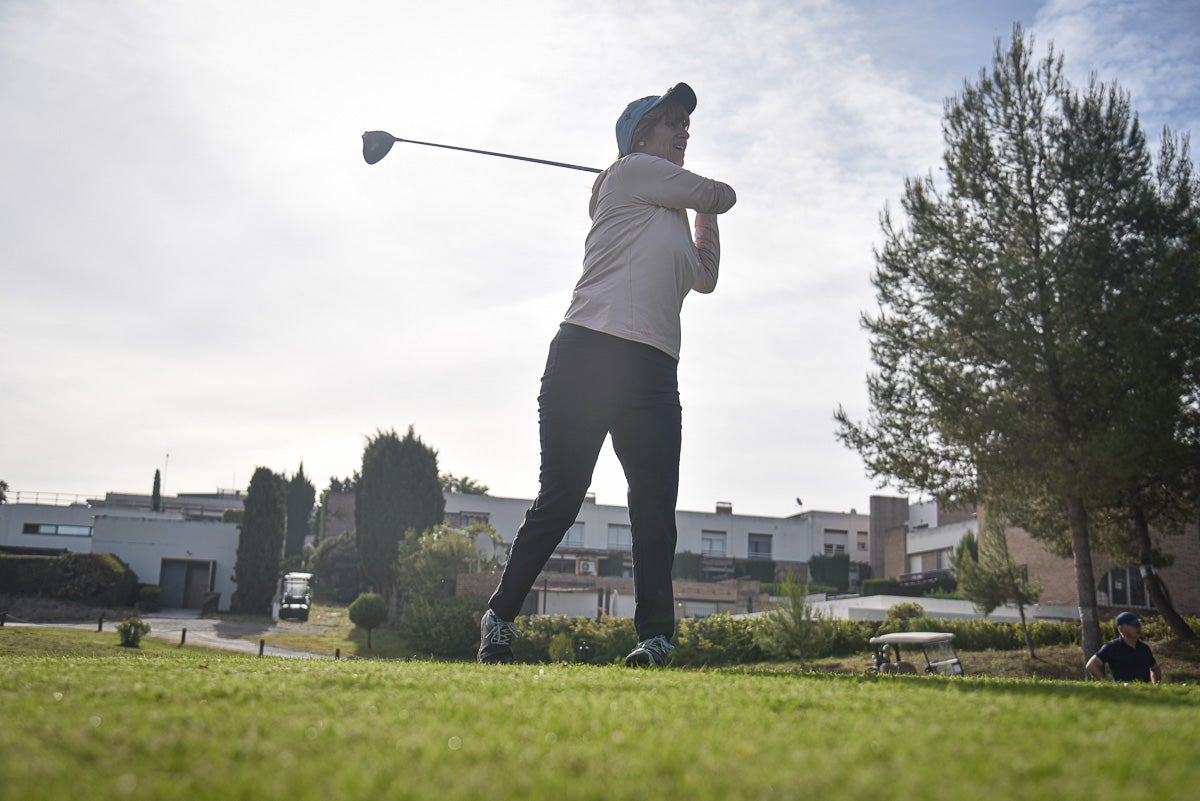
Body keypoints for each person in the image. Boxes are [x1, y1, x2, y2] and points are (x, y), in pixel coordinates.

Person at [477, 82, 736, 667]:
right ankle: (500, 616)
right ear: (640, 140)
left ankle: (656, 639)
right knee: (562, 499)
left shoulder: (662, 206)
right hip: (589, 354)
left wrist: (700, 209)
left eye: (685, 126)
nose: (683, 131)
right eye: (671, 122)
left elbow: (706, 276)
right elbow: (725, 193)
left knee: (653, 513)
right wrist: (704, 198)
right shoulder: (629, 175)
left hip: (652, 372)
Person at [1085, 611, 1162, 684]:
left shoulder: (1144, 648)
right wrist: (1107, 685)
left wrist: (1156, 685)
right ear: (1121, 628)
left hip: (1146, 694)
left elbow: (1155, 669)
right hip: (1124, 693)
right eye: (1134, 625)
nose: (1138, 628)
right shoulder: (1112, 647)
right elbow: (1091, 665)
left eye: (1139, 624)